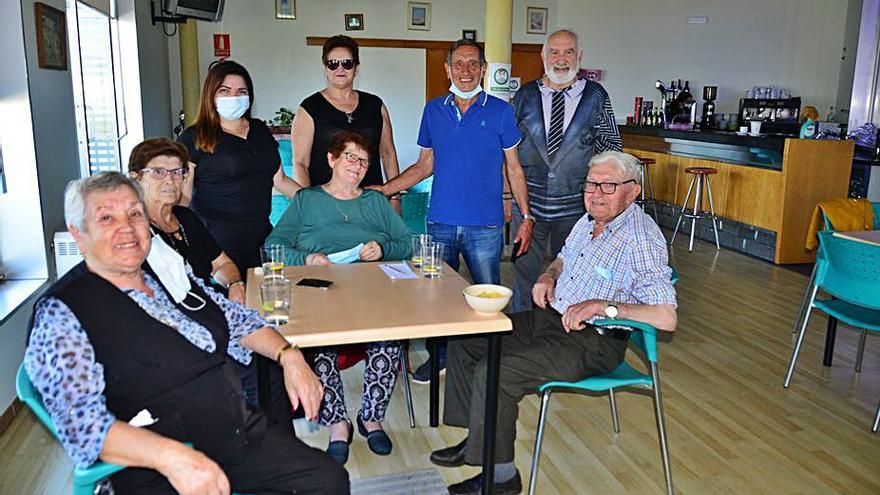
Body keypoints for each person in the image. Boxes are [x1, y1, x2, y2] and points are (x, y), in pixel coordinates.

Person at [24, 172, 348, 495]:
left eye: (135, 214)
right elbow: (83, 427)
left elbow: (235, 318)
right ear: (78, 235)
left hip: (233, 433)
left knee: (327, 481)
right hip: (152, 465)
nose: (126, 227)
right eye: (106, 217)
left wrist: (288, 355)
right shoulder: (62, 314)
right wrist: (174, 458)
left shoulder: (163, 276)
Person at [430, 151, 677, 495]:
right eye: (592, 184)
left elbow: (666, 316)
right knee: (469, 337)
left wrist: (602, 306)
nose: (596, 193)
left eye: (609, 186)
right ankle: (478, 439)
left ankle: (501, 479)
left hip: (593, 342)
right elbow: (561, 259)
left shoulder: (641, 237)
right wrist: (548, 276)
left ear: (632, 191)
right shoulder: (588, 220)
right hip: (552, 320)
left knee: (495, 370)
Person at [371, 39, 535, 382]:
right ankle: (440, 357)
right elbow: (424, 165)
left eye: (473, 64)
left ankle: (490, 362)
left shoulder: (501, 111)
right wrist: (386, 189)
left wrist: (526, 216)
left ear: (483, 69)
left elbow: (515, 169)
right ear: (447, 68)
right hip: (441, 221)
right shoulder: (433, 110)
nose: (465, 71)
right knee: (435, 296)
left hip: (485, 226)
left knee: (487, 296)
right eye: (458, 64)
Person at [265, 131, 411, 465]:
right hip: (318, 291)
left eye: (364, 161)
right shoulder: (307, 201)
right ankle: (338, 423)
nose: (358, 166)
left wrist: (385, 249)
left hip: (371, 293)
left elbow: (409, 243)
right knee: (319, 345)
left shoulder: (375, 202)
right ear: (331, 159)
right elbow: (273, 247)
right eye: (351, 157)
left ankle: (371, 417)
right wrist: (307, 259)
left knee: (389, 338)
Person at [509, 28, 622, 313]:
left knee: (572, 273)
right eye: (555, 51)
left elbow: (612, 148)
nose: (561, 59)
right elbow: (506, 151)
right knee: (524, 273)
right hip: (528, 204)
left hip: (576, 205)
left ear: (579, 56)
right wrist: (506, 198)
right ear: (543, 55)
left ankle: (563, 336)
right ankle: (523, 335)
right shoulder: (524, 95)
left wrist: (603, 197)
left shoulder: (595, 95)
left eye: (569, 51)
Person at [177, 60, 301, 276]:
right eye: (225, 91)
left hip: (263, 240)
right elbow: (183, 198)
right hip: (217, 246)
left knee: (269, 302)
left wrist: (319, 203)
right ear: (211, 95)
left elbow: (280, 181)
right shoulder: (194, 137)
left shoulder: (260, 130)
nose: (234, 97)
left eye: (241, 91)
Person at [128, 137, 245, 304]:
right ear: (135, 178)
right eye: (158, 172)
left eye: (177, 172)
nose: (170, 180)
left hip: (209, 306)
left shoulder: (186, 218)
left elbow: (221, 264)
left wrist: (234, 284)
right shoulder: (131, 231)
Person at [291, 36, 401, 196]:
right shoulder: (309, 108)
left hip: (370, 201)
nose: (340, 69)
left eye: (347, 63)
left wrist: (395, 196)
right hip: (326, 204)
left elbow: (388, 154)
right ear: (325, 68)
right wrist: (308, 205)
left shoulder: (375, 105)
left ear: (356, 68)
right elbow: (300, 163)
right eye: (333, 64)